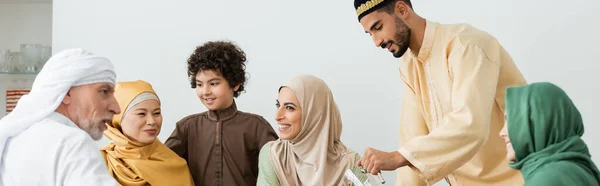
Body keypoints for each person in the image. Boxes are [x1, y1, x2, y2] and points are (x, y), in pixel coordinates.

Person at [353, 0, 527, 185]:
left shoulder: (465, 44)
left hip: (520, 178)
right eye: (370, 34)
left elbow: (470, 125)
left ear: (402, 9)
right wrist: (401, 159)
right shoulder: (409, 67)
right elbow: (412, 136)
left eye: (378, 27)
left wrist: (397, 157)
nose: (376, 42)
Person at [165, 40, 279, 186]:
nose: (205, 91)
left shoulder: (257, 127)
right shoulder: (187, 127)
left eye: (213, 83)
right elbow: (161, 164)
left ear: (235, 83)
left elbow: (279, 170)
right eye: (199, 84)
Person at [0, 48, 120, 186]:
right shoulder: (73, 143)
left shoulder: (12, 140)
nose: (116, 108)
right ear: (67, 93)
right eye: (104, 91)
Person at [257, 75, 368, 186]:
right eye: (278, 105)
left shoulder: (351, 163)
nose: (277, 116)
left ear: (314, 113)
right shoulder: (273, 155)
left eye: (289, 107)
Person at [499, 82, 600, 185]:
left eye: (509, 120)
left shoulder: (546, 179)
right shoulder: (579, 169)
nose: (501, 133)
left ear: (540, 123)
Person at [100, 80, 195, 186]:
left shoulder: (175, 166)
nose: (152, 121)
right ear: (117, 118)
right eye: (141, 113)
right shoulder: (97, 162)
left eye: (156, 113)